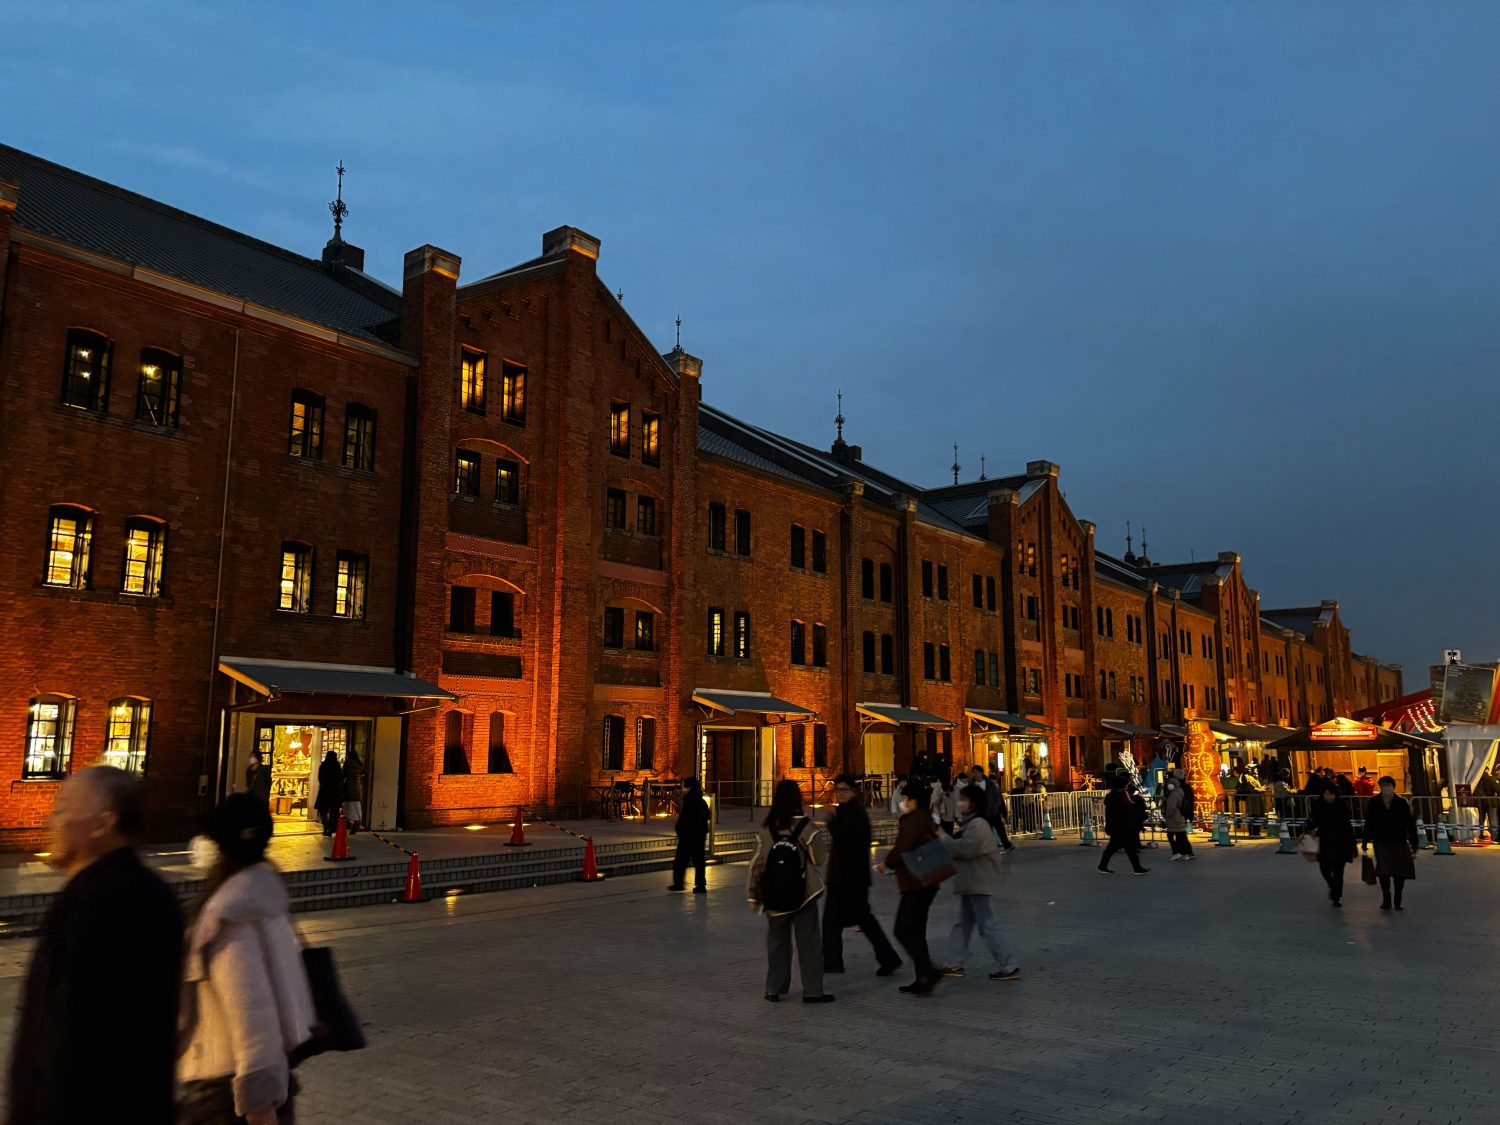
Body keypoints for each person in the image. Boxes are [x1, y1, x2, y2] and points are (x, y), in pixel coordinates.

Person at [9, 767, 184, 1125]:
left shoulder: (107, 904)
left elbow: (76, 1037)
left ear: (104, 823)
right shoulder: (137, 892)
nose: (51, 820)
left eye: (64, 808)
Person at [179, 793, 316, 1123]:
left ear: (217, 845)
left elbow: (254, 1016)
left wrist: (260, 1107)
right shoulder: (266, 897)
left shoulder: (231, 913)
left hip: (228, 1098)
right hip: (253, 1088)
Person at [746, 779, 834, 1003]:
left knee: (777, 942)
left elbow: (757, 865)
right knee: (809, 943)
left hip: (774, 895)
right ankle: (812, 991)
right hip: (803, 894)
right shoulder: (806, 827)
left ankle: (773, 989)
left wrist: (753, 895)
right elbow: (819, 858)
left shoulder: (767, 830)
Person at [821, 774, 901, 976]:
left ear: (853, 791)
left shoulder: (856, 814)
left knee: (853, 919)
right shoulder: (845, 812)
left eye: (844, 789)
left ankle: (887, 958)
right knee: (839, 920)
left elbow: (850, 842)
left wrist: (832, 826)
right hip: (845, 877)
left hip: (850, 878)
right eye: (837, 790)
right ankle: (834, 960)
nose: (840, 793)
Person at [940, 785, 1020, 981]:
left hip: (979, 882)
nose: (960, 803)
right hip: (971, 882)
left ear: (974, 803)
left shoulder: (978, 824)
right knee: (965, 923)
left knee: (987, 924)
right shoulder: (970, 823)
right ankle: (954, 962)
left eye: (964, 800)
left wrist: (944, 838)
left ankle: (1009, 964)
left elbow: (966, 849)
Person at [877, 780, 945, 995]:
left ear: (914, 801)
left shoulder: (913, 820)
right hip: (927, 881)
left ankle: (929, 972)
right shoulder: (925, 817)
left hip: (916, 883)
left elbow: (903, 846)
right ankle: (923, 979)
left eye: (905, 798)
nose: (902, 802)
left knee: (903, 930)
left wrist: (886, 863)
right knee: (917, 931)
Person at [1362, 776, 1418, 911]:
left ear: (1393, 787)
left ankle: (1398, 899)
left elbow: (1410, 824)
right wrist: (1365, 840)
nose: (1385, 788)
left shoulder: (1401, 803)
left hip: (1399, 841)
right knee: (1383, 871)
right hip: (1381, 841)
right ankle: (1386, 898)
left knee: (1399, 873)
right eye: (1383, 785)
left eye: (1388, 785)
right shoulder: (1374, 802)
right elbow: (1369, 822)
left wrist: (1414, 843)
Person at [1307, 784, 1356, 906]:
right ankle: (1332, 885)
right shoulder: (1318, 805)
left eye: (1332, 794)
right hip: (1324, 840)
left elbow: (1347, 825)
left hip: (1341, 841)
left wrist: (1352, 845)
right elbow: (1314, 821)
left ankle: (1336, 896)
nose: (1329, 797)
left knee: (1338, 870)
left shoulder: (1342, 806)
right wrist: (1310, 827)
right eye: (1326, 794)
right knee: (1324, 868)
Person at [1098, 771, 1149, 875]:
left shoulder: (1116, 796)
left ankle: (1136, 868)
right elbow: (1125, 810)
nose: (1127, 786)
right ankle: (1137, 868)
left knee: (1122, 849)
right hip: (1120, 827)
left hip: (1120, 827)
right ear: (1122, 786)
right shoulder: (1118, 797)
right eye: (1126, 785)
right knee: (1120, 849)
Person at [669, 776, 710, 893]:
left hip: (688, 835)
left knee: (681, 860)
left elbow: (685, 818)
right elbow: (706, 815)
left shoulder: (690, 800)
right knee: (699, 861)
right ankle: (700, 885)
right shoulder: (701, 801)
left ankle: (678, 883)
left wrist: (680, 829)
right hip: (699, 835)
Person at [973, 765, 1014, 851]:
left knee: (1000, 829)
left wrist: (997, 807)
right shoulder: (972, 785)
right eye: (973, 772)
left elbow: (997, 796)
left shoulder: (990, 783)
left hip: (993, 811)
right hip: (982, 813)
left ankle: (1007, 845)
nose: (974, 774)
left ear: (981, 773)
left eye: (976, 772)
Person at [1162, 774, 1194, 860]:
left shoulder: (1173, 795)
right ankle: (1186, 853)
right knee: (1181, 836)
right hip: (1180, 817)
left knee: (1172, 836)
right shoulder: (1180, 792)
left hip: (1174, 818)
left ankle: (1178, 853)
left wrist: (1166, 814)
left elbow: (1171, 807)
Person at [315, 750, 343, 836]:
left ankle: (326, 827)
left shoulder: (323, 766)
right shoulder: (337, 767)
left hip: (324, 791)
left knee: (323, 811)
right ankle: (331, 829)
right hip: (335, 792)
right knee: (334, 812)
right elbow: (341, 778)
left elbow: (320, 779)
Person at [341, 746, 366, 833]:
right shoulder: (360, 765)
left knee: (347, 808)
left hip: (348, 788)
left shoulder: (347, 764)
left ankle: (348, 824)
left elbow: (343, 776)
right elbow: (363, 775)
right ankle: (356, 823)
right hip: (357, 789)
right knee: (356, 808)